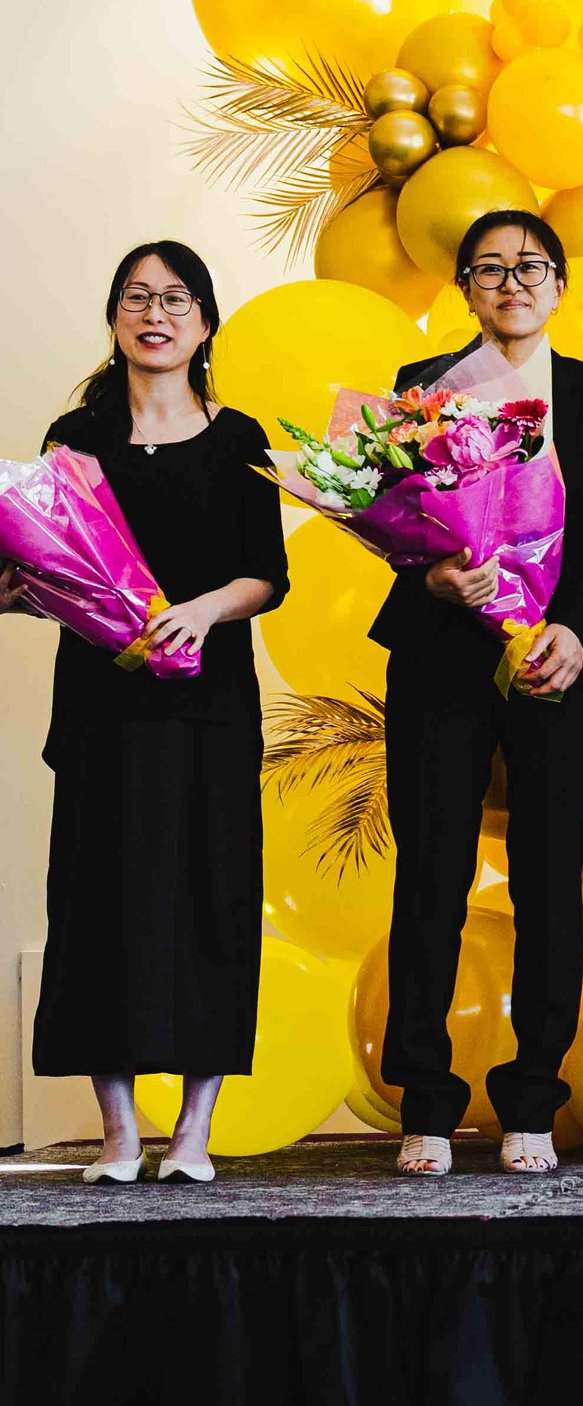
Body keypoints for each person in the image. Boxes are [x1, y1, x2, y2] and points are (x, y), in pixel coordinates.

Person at [20, 241, 286, 1185]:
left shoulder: (239, 437)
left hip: (209, 708)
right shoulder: (74, 438)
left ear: (204, 322)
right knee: (100, 905)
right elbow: (45, 566)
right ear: (114, 318)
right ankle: (120, 1133)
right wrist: (21, 592)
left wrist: (201, 612)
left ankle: (193, 1133)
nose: (155, 314)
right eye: (137, 297)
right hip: (103, 707)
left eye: (175, 299)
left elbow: (267, 575)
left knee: (212, 902)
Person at [380, 211, 583, 1176]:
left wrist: (574, 628)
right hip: (441, 657)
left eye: (531, 267)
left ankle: (532, 1098)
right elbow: (393, 515)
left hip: (554, 658)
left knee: (546, 878)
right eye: (489, 269)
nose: (512, 283)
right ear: (464, 289)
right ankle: (425, 1101)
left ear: (560, 286)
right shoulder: (423, 387)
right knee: (431, 873)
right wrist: (434, 577)